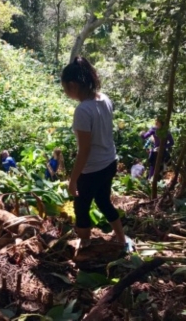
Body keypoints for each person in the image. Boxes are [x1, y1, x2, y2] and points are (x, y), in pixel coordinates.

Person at [61, 56, 126, 248]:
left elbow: (84, 150)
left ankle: (85, 242)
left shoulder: (83, 110)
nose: (65, 92)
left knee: (81, 208)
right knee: (104, 201)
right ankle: (122, 239)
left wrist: (73, 180)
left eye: (65, 88)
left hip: (92, 169)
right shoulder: (104, 99)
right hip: (109, 162)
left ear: (73, 85)